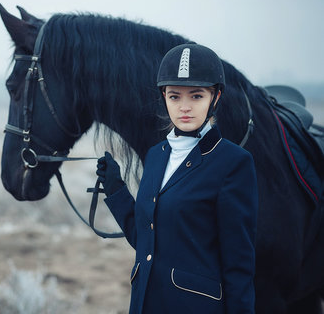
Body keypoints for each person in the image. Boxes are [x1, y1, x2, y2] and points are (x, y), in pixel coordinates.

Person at [97, 43, 258, 314]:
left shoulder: (233, 163)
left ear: (215, 97)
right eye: (174, 97)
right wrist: (117, 191)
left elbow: (238, 266)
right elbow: (147, 239)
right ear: (164, 97)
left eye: (196, 96)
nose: (184, 107)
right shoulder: (155, 155)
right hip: (144, 304)